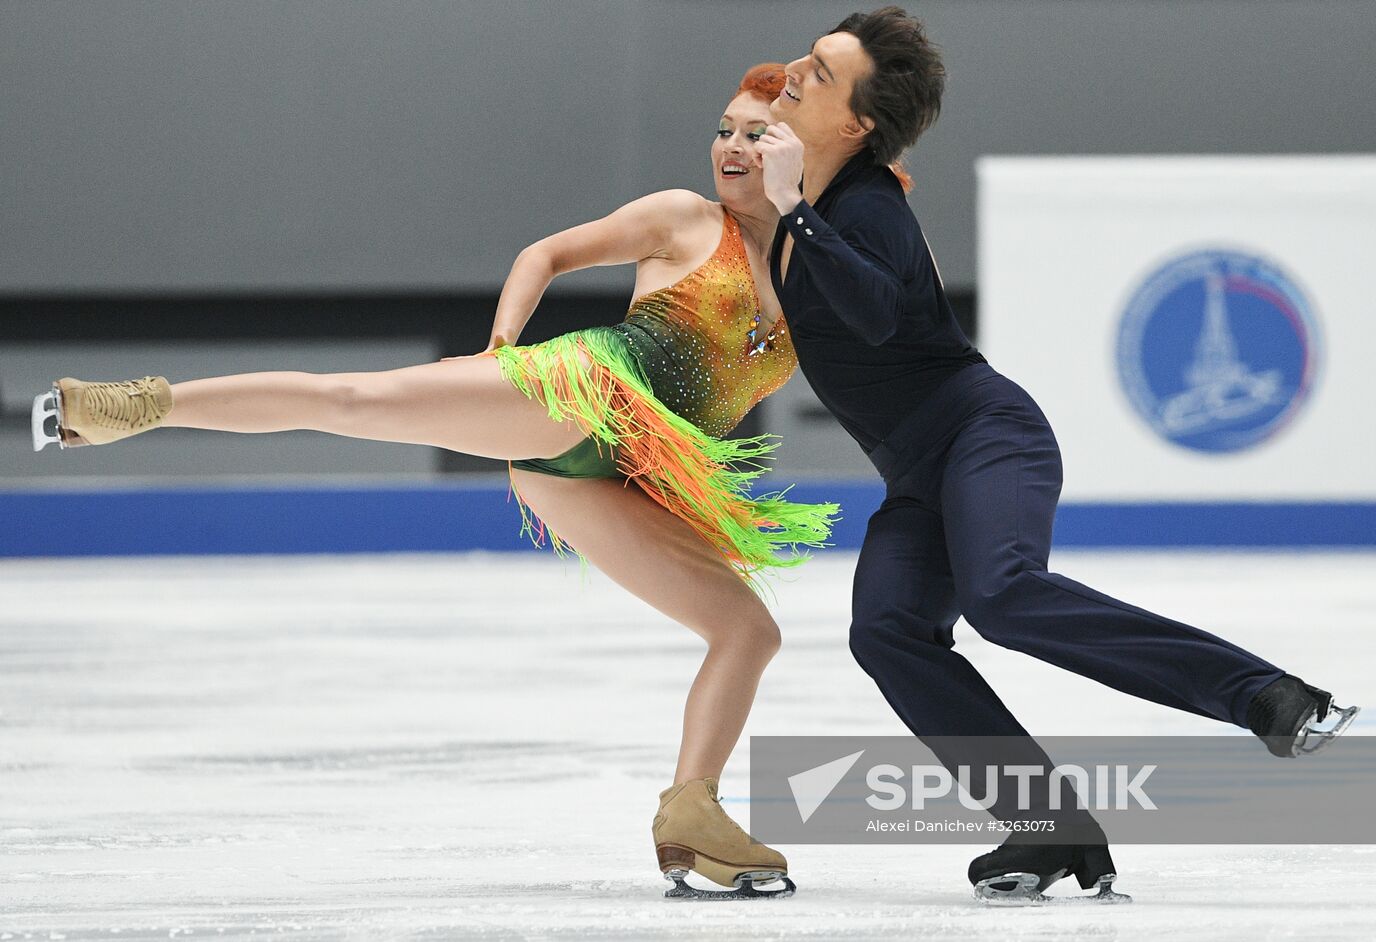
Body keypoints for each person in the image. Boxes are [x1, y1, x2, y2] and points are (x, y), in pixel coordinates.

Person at [30, 64, 826, 902]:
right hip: (579, 397)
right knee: (353, 401)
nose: (731, 147)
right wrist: (501, 345)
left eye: (755, 133)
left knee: (746, 631)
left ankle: (690, 815)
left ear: (797, 153)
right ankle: (136, 404)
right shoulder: (682, 217)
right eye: (725, 128)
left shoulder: (813, 274)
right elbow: (547, 253)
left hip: (617, 475)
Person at [753, 6, 1358, 903]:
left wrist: (792, 208)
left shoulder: (865, 207)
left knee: (1003, 595)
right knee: (886, 631)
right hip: (916, 476)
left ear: (857, 124)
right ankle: (1046, 827)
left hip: (984, 434)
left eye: (820, 70)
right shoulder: (813, 211)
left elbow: (876, 316)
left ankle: (1267, 696)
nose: (793, 72)